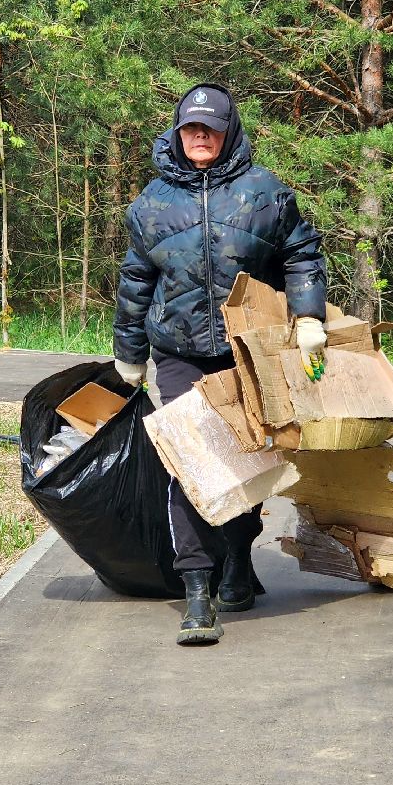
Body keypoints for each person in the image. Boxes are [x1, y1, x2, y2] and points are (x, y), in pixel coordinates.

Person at [113, 83, 328, 646]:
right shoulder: (152, 203)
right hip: (179, 351)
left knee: (247, 458)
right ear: (177, 132)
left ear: (229, 131)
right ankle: (197, 587)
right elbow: (136, 280)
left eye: (210, 129)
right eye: (191, 128)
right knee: (191, 460)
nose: (200, 137)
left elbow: (302, 254)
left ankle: (237, 558)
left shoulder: (266, 193)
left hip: (247, 348)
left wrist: (309, 317)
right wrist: (130, 354)